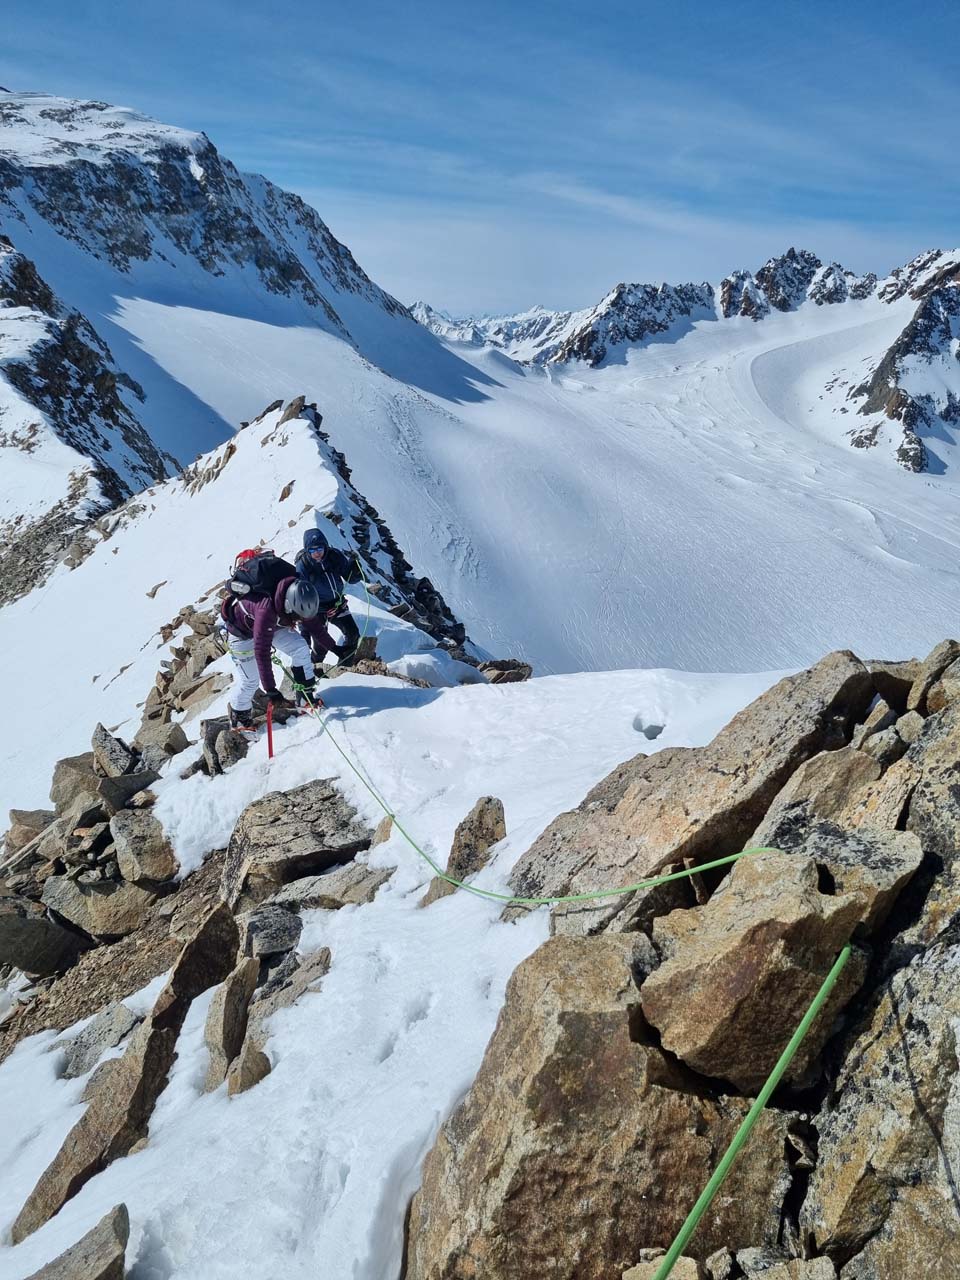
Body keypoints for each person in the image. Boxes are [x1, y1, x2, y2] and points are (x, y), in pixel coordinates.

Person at [221, 574, 332, 727]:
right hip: (242, 636)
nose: (299, 620)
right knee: (250, 681)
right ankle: (240, 719)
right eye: (297, 616)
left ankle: (304, 698)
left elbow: (313, 625)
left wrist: (335, 648)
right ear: (288, 605)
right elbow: (262, 652)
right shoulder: (266, 608)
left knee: (300, 647)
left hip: (270, 625)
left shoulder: (298, 597)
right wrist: (271, 690)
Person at [295, 528, 363, 665]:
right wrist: (304, 629)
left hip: (337, 604)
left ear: (325, 546)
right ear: (307, 550)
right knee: (321, 646)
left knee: (353, 634)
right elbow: (300, 597)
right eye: (312, 550)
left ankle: (344, 670)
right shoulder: (303, 565)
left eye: (319, 548)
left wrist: (354, 569)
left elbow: (350, 578)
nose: (317, 553)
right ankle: (313, 670)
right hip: (317, 610)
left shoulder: (334, 556)